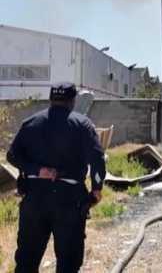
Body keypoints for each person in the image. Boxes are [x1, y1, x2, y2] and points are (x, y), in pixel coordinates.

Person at [7, 82, 106, 273]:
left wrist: (37, 170)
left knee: (27, 261)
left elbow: (12, 156)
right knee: (68, 263)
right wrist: (96, 189)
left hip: (35, 197)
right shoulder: (82, 124)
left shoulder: (31, 122)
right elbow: (97, 159)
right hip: (69, 199)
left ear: (51, 99)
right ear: (73, 101)